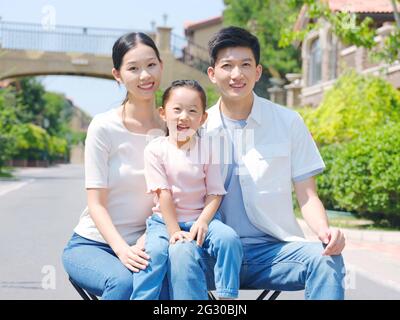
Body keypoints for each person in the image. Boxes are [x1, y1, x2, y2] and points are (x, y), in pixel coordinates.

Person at [169, 26, 346, 300]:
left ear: (258, 72)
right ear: (213, 74)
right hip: (211, 252)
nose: (237, 74)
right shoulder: (196, 128)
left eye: (245, 65)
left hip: (273, 252)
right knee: (178, 255)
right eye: (227, 66)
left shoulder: (289, 122)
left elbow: (307, 195)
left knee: (326, 258)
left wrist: (325, 232)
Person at [62, 32, 170, 300]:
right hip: (94, 245)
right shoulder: (104, 126)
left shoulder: (173, 127)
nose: (145, 75)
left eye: (150, 65)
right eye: (133, 68)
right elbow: (96, 203)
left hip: (150, 243)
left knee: (179, 288)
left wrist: (152, 237)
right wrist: (122, 250)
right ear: (118, 75)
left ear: (161, 65)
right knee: (123, 284)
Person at [131, 80, 243, 300]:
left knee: (229, 239)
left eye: (193, 111)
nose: (184, 117)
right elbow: (163, 194)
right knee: (154, 254)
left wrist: (203, 221)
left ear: (202, 118)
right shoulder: (155, 149)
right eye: (177, 109)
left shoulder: (208, 149)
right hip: (163, 222)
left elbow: (215, 192)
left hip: (201, 218)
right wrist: (174, 232)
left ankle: (226, 296)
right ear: (163, 113)